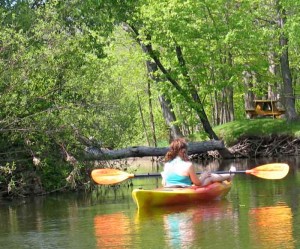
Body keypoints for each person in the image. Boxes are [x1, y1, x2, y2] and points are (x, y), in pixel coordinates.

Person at [161, 138, 236, 187]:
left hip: (170, 188)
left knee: (206, 176)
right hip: (184, 190)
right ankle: (229, 175)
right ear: (182, 151)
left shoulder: (167, 164)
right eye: (186, 151)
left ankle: (228, 175)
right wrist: (203, 176)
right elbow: (198, 183)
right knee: (209, 177)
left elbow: (163, 183)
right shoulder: (188, 165)